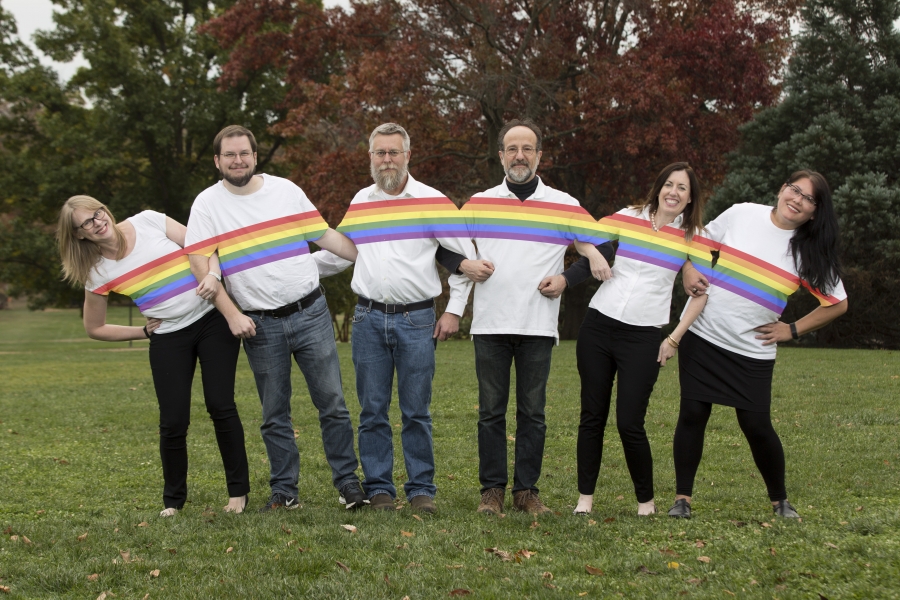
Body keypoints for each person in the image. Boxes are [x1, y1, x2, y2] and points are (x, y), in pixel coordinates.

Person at [184, 125, 366, 512]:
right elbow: (199, 262)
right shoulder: (206, 204)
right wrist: (231, 314)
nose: (238, 160)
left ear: (255, 155)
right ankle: (285, 491)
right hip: (259, 324)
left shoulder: (286, 191)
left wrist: (375, 260)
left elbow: (326, 237)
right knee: (274, 414)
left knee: (332, 403)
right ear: (218, 161)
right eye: (229, 155)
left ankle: (348, 483)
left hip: (311, 313)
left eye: (244, 153)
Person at [313, 123, 491, 514]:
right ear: (371, 158)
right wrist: (291, 271)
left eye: (394, 152)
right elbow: (338, 253)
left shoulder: (432, 200)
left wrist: (453, 310)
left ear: (408, 156)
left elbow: (463, 259)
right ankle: (379, 489)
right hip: (368, 319)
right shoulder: (361, 201)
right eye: (380, 153)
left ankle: (421, 489)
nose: (387, 160)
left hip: (417, 320)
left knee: (416, 410)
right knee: (372, 409)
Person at [670, 170, 848, 519]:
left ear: (815, 210)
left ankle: (780, 502)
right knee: (692, 414)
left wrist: (791, 330)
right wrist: (689, 271)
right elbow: (691, 243)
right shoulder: (742, 213)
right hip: (704, 334)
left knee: (755, 424)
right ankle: (682, 501)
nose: (797, 200)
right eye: (794, 190)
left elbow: (838, 303)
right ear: (781, 189)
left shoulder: (808, 251)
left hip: (752, 351)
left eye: (808, 198)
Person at [57, 195, 250, 517]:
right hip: (168, 338)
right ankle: (173, 502)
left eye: (98, 212)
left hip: (212, 322)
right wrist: (142, 332)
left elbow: (206, 247)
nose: (97, 221)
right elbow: (95, 327)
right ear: (79, 234)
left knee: (221, 405)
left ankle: (237, 493)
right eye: (86, 222)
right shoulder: (96, 273)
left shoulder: (148, 220)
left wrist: (213, 276)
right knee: (173, 421)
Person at [543, 163, 710, 517]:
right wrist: (594, 255)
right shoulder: (630, 215)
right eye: (669, 184)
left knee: (629, 422)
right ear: (658, 187)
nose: (674, 193)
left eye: (682, 188)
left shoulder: (693, 236)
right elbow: (580, 233)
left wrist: (674, 339)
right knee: (592, 416)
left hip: (644, 336)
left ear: (690, 197)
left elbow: (701, 294)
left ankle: (645, 503)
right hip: (599, 326)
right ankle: (584, 500)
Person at [461, 119, 608, 515]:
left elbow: (598, 249)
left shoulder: (564, 205)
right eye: (512, 149)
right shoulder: (478, 203)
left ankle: (526, 492)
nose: (519, 156)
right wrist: (463, 276)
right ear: (501, 156)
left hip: (538, 326)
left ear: (539, 155)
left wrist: (567, 277)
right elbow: (452, 250)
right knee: (491, 412)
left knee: (533, 413)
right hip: (490, 325)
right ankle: (491, 492)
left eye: (527, 149)